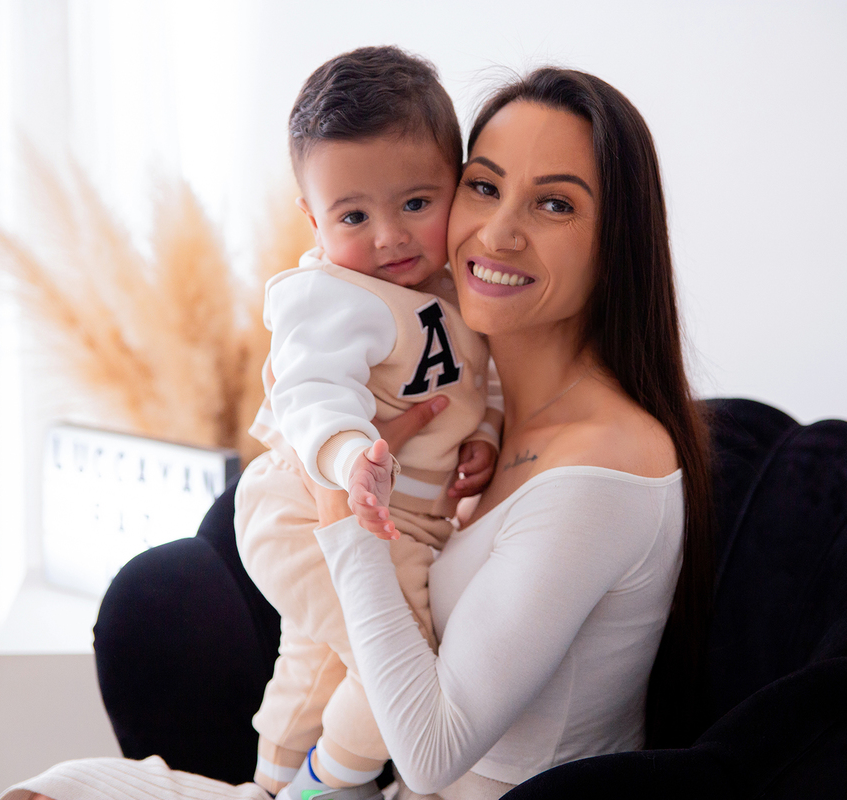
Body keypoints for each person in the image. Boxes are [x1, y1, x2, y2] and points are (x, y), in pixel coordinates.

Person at [0, 65, 714, 800]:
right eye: (485, 186)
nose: (498, 231)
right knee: (54, 788)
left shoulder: (604, 466)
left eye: (555, 204)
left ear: (617, 241)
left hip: (410, 779)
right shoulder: (478, 401)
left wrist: (338, 500)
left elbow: (432, 750)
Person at [234, 45, 500, 800]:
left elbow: (486, 377)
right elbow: (314, 393)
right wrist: (352, 456)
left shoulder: (456, 286)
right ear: (312, 218)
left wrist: (483, 436)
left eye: (417, 203)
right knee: (399, 673)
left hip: (404, 523)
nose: (389, 237)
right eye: (354, 215)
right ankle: (322, 788)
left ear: (458, 184)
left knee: (319, 662)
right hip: (307, 506)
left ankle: (271, 780)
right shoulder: (328, 295)